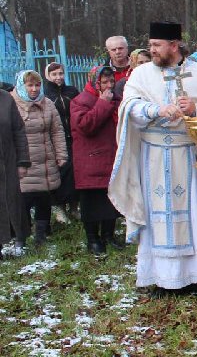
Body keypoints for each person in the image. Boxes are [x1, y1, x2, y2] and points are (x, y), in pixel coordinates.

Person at [109, 22, 197, 291]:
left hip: (189, 155)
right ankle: (160, 278)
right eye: (150, 45)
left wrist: (195, 108)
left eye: (157, 45)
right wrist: (156, 110)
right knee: (156, 218)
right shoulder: (141, 74)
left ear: (174, 45)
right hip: (152, 156)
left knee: (194, 214)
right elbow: (129, 106)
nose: (151, 50)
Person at [12, 70, 68, 246]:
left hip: (45, 160)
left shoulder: (47, 103)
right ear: (22, 86)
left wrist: (61, 154)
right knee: (23, 200)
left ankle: (41, 236)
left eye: (37, 85)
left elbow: (57, 131)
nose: (34, 89)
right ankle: (21, 237)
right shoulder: (11, 104)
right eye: (30, 85)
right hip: (23, 161)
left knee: (43, 198)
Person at [71, 66, 122, 254]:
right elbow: (86, 125)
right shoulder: (80, 101)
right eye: (104, 82)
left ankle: (108, 235)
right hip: (91, 159)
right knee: (92, 201)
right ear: (95, 82)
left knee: (111, 199)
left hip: (111, 156)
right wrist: (102, 103)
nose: (109, 86)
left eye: (111, 81)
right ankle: (93, 239)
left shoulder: (116, 99)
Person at [43, 62, 80, 218]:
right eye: (54, 74)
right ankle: (59, 208)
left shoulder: (72, 91)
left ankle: (74, 206)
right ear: (47, 76)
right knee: (59, 172)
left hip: (73, 138)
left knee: (74, 172)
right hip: (55, 140)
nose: (58, 77)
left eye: (60, 73)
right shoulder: (45, 95)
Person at [0, 87, 29, 253]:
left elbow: (19, 130)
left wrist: (22, 161)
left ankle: (19, 237)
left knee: (13, 200)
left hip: (8, 161)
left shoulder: (5, 98)